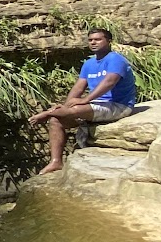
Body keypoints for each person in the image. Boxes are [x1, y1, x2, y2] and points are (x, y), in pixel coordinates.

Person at [29, 27, 136, 175]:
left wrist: (85, 100)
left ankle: (47, 113)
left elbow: (109, 82)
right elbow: (78, 87)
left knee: (76, 109)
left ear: (108, 41)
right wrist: (65, 108)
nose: (93, 42)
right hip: (96, 106)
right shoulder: (89, 64)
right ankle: (56, 162)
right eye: (90, 40)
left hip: (119, 106)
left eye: (98, 39)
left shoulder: (115, 59)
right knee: (56, 120)